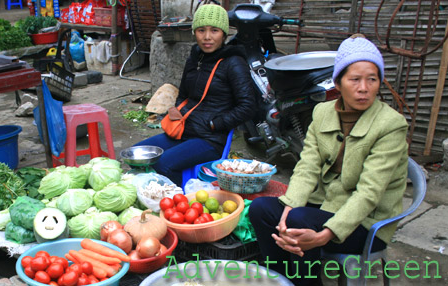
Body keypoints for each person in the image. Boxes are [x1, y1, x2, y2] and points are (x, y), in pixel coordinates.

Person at [249, 34, 409, 286]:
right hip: (325, 204)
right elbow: (307, 166)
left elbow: (369, 193)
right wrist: (288, 207)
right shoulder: (322, 112)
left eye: (372, 79)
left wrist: (324, 235)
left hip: (366, 222)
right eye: (355, 79)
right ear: (338, 82)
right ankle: (282, 281)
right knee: (262, 211)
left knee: (299, 222)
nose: (364, 88)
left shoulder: (391, 125)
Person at [133, 4, 257, 185]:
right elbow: (183, 94)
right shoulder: (195, 58)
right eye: (201, 30)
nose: (207, 37)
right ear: (194, 32)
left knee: (164, 163)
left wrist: (216, 124)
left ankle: (178, 202)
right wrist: (178, 112)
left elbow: (248, 106)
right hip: (183, 131)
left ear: (223, 34)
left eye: (214, 30)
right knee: (138, 155)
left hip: (210, 139)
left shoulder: (234, 63)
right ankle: (151, 196)